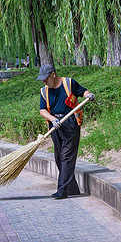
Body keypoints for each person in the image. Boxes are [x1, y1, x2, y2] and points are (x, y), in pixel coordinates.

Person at [37, 64, 96, 199]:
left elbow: (83, 92)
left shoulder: (69, 83)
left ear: (53, 74)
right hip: (55, 126)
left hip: (70, 124)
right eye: (42, 80)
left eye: (46, 79)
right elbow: (42, 110)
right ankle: (72, 188)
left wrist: (89, 95)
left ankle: (62, 190)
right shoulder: (44, 90)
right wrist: (52, 119)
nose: (44, 82)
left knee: (67, 157)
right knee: (59, 158)